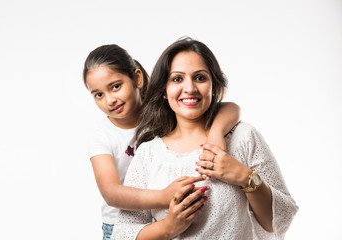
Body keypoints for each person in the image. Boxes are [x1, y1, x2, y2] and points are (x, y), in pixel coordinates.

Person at [111, 38, 298, 239]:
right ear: (164, 90)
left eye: (200, 78)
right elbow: (122, 234)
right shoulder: (149, 154)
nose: (190, 88)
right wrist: (168, 227)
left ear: (213, 85)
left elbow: (279, 220)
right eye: (177, 79)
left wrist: (245, 177)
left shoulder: (243, 137)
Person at [82, 44, 241, 239]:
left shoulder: (162, 110)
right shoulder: (102, 137)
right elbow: (111, 194)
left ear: (137, 78)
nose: (110, 100)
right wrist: (164, 196)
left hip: (164, 215)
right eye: (99, 95)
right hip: (123, 225)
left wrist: (216, 132)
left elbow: (229, 108)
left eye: (116, 87)